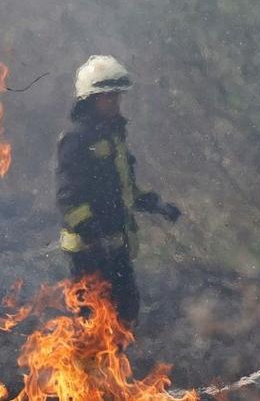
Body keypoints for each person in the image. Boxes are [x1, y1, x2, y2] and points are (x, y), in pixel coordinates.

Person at [56, 55, 180, 327]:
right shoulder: (76, 138)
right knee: (93, 318)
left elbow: (125, 187)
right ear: (89, 99)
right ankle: (86, 369)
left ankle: (113, 368)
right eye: (107, 97)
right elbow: (69, 196)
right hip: (88, 249)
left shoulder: (114, 135)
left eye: (116, 97)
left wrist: (157, 205)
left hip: (115, 242)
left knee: (125, 311)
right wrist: (92, 234)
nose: (114, 103)